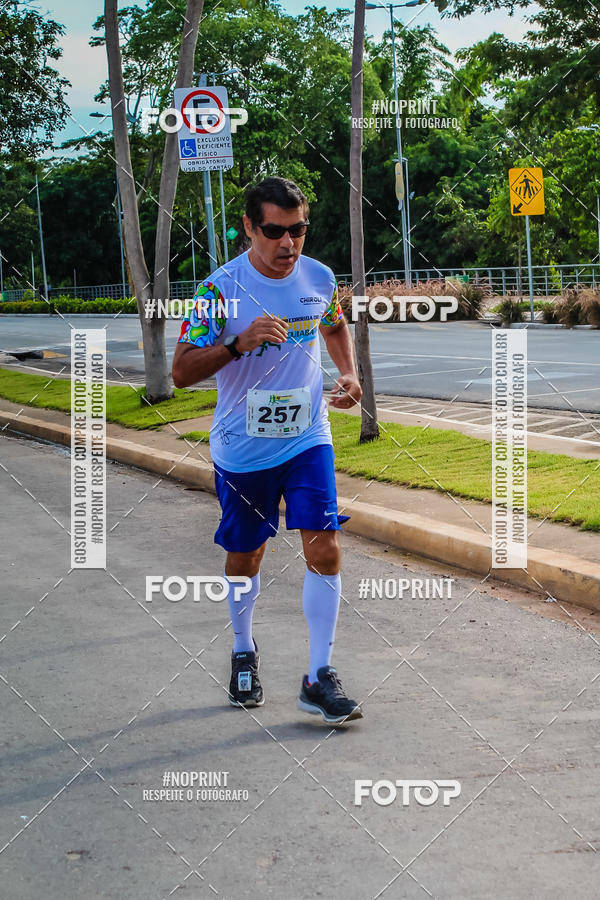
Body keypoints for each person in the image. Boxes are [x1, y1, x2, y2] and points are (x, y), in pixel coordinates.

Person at [172, 176, 363, 724]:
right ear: (250, 228)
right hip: (244, 449)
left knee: (324, 546)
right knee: (246, 555)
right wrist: (237, 343)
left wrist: (348, 375)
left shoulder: (319, 276)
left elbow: (331, 324)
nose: (289, 244)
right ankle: (242, 651)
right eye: (275, 232)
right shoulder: (218, 290)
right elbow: (183, 370)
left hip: (308, 437)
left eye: (298, 230)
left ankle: (318, 676)